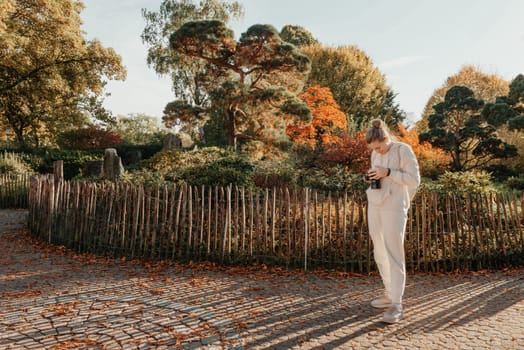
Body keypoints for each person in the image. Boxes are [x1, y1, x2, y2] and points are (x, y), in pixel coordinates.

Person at [364, 119, 420, 324]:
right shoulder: (375, 153)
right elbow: (379, 175)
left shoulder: (402, 150)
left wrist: (388, 173)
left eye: (379, 146)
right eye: (373, 148)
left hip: (395, 206)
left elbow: (414, 180)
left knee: (394, 252)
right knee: (378, 249)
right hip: (376, 203)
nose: (377, 150)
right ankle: (388, 292)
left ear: (386, 138)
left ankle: (397, 303)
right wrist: (373, 176)